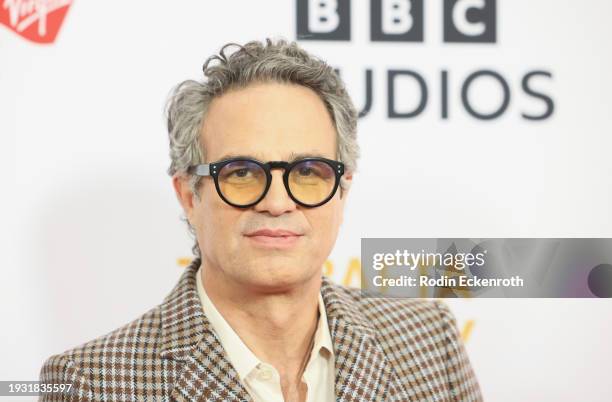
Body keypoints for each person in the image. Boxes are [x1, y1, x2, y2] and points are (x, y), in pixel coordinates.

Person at [40, 38, 482, 402]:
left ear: (343, 190)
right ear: (188, 195)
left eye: (308, 172)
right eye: (242, 173)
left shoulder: (428, 341)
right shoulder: (89, 382)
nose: (276, 202)